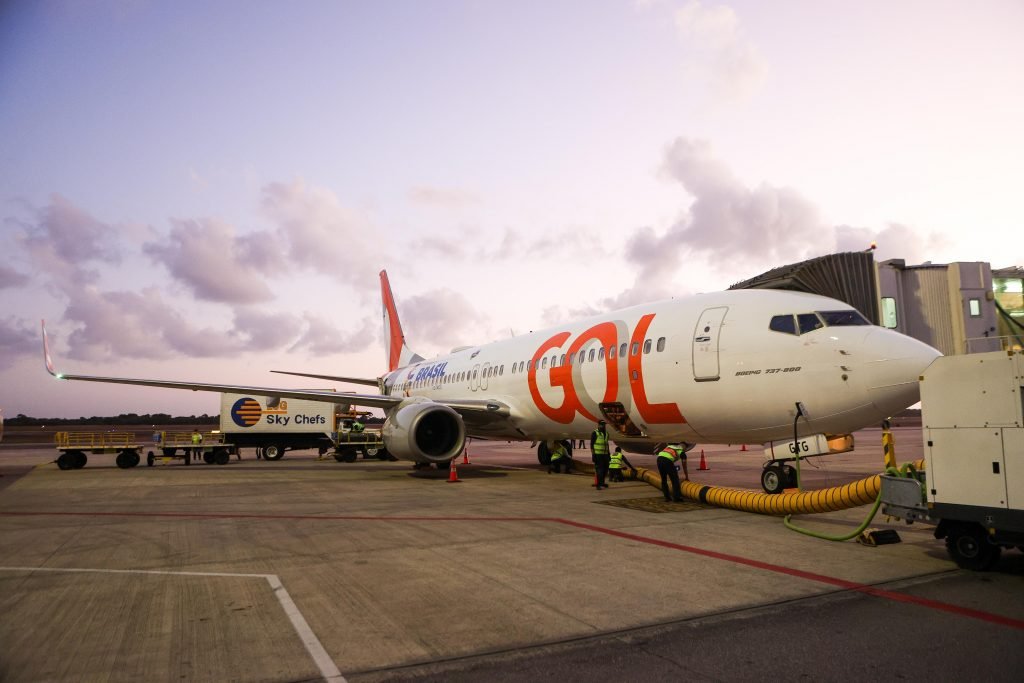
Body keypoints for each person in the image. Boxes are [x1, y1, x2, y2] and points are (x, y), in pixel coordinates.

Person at [590, 420, 611, 489]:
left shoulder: (607, 433)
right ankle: (598, 484)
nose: (603, 426)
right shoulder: (595, 433)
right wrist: (593, 455)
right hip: (598, 454)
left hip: (605, 454)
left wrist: (609, 454)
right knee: (600, 470)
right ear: (598, 425)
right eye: (602, 424)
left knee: (605, 469)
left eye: (604, 424)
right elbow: (591, 445)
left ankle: (602, 483)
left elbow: (606, 444)